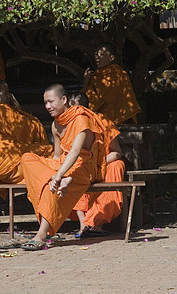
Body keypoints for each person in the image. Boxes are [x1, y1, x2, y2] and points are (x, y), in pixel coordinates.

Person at [18, 84, 107, 251]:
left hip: (82, 167)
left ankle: (41, 235)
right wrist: (53, 174)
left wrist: (58, 175)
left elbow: (75, 152)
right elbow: (57, 156)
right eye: (45, 103)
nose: (47, 107)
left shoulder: (81, 119)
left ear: (64, 99)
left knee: (52, 187)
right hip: (63, 166)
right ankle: (61, 180)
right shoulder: (55, 124)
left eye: (51, 101)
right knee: (27, 158)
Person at [0, 80, 52, 198]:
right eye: (5, 93)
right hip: (6, 161)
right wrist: (17, 107)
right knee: (49, 162)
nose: (8, 96)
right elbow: (28, 125)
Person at [69, 93, 125, 237]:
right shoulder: (68, 125)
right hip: (83, 166)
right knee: (74, 170)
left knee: (116, 166)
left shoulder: (102, 122)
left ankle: (97, 223)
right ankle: (83, 224)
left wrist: (99, 163)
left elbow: (117, 153)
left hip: (104, 164)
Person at [83, 43, 141, 125]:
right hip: (102, 120)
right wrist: (86, 81)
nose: (97, 57)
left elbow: (126, 98)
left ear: (111, 58)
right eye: (96, 54)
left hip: (120, 119)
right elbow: (89, 99)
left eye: (102, 54)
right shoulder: (95, 77)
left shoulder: (119, 74)